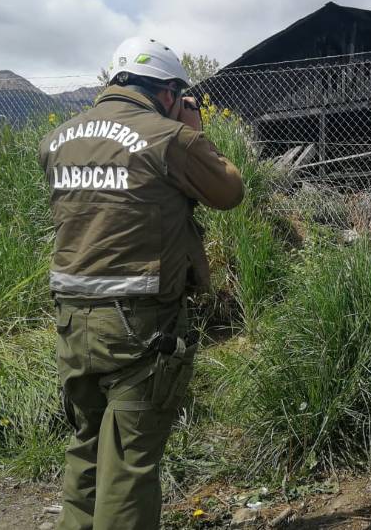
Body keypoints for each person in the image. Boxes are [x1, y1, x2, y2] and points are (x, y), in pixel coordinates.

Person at [37, 37, 244, 530]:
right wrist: (190, 129)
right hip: (139, 325)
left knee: (86, 445)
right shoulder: (170, 137)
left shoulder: (57, 139)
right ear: (169, 91)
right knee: (130, 462)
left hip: (72, 319)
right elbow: (229, 191)